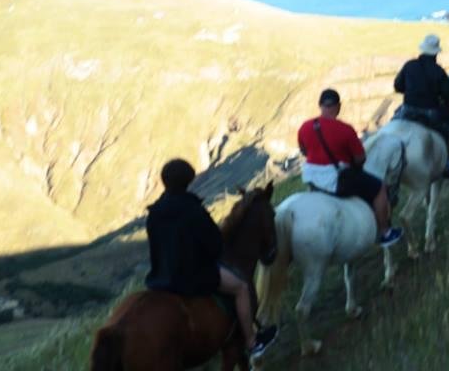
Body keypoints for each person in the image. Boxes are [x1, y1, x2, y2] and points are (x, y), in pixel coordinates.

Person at [144, 158, 277, 361]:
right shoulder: (194, 209)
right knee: (240, 287)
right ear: (189, 181)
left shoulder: (154, 212)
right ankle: (252, 342)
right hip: (193, 277)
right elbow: (215, 245)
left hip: (160, 278)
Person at [298, 88, 403, 247]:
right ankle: (385, 232)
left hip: (311, 178)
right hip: (336, 180)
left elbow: (304, 151)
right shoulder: (345, 129)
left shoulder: (305, 127)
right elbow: (360, 159)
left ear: (320, 105)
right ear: (338, 106)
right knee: (379, 187)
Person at [394, 34, 449, 179]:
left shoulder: (409, 65)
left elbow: (398, 86)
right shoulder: (439, 72)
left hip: (408, 109)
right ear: (436, 52)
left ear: (423, 50)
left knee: (393, 123)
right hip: (430, 113)